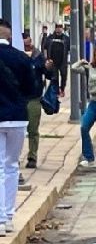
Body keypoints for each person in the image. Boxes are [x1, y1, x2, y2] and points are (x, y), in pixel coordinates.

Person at [0, 21, 34, 236]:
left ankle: (0, 219)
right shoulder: (22, 58)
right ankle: (8, 217)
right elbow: (32, 89)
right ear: (10, 36)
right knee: (11, 166)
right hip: (17, 118)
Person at [22, 33, 53, 169]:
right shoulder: (15, 54)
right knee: (14, 129)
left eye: (27, 42)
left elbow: (48, 74)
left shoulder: (38, 55)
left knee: (33, 129)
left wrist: (48, 68)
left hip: (34, 97)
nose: (26, 44)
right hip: (18, 98)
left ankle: (32, 156)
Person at [43, 23, 70, 97]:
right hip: (53, 61)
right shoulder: (50, 37)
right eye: (57, 27)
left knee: (64, 76)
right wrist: (46, 58)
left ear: (62, 28)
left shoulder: (66, 38)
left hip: (63, 61)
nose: (58, 28)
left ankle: (62, 89)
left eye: (60, 27)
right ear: (55, 28)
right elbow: (45, 47)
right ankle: (56, 91)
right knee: (55, 77)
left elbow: (70, 48)